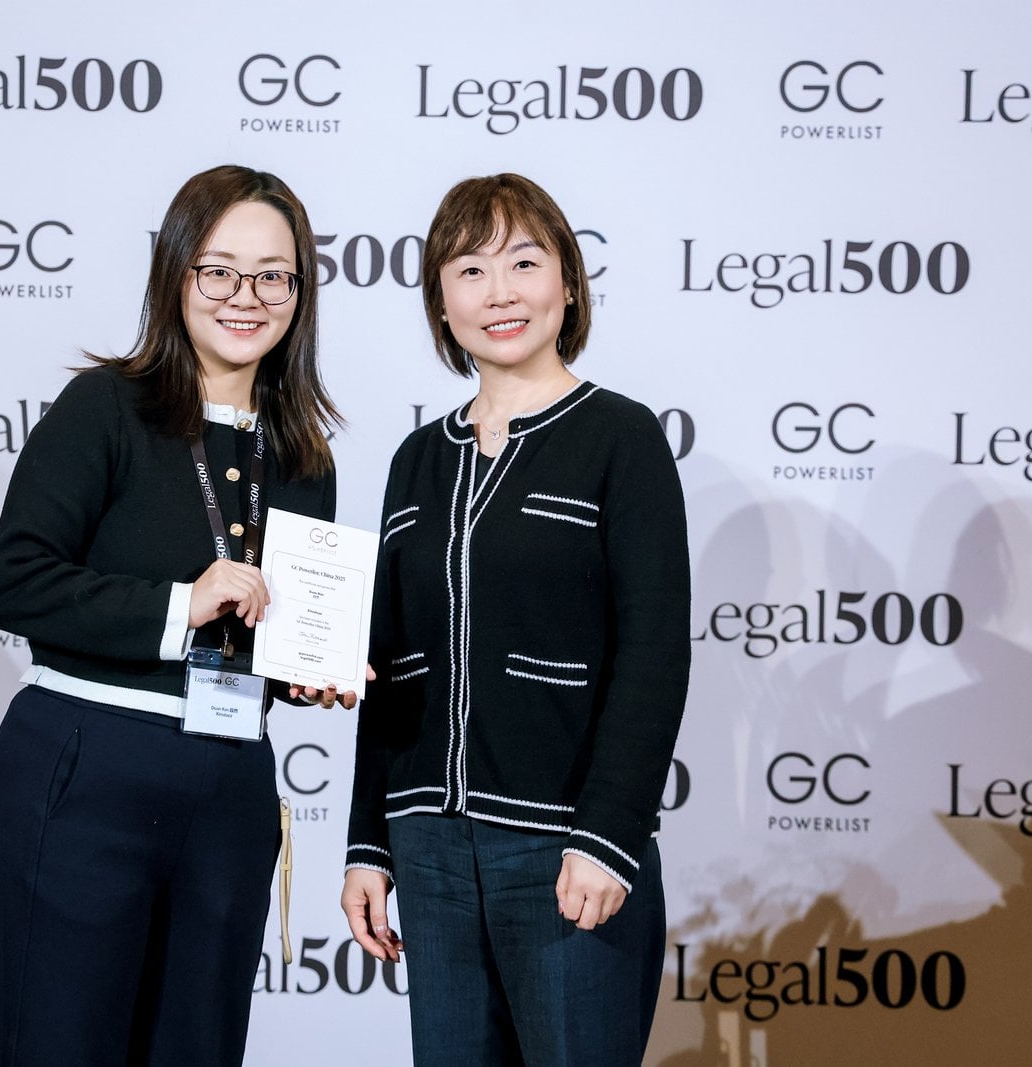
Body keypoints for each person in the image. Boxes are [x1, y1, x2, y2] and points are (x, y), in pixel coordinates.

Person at [0, 164, 351, 1066]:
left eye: (272, 275)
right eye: (218, 270)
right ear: (176, 274)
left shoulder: (305, 454)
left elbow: (268, 632)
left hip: (230, 789)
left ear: (300, 292)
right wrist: (185, 602)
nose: (245, 296)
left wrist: (308, 671)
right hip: (88, 769)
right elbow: (14, 583)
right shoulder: (107, 405)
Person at [342, 173, 691, 1065]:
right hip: (428, 848)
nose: (499, 292)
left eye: (524, 263)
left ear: (567, 283)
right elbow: (389, 666)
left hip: (564, 844)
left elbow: (653, 654)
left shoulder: (621, 437)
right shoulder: (416, 460)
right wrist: (367, 843)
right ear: (441, 303)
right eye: (470, 270)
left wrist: (609, 837)